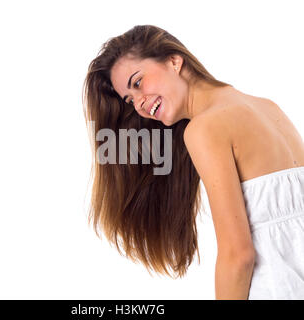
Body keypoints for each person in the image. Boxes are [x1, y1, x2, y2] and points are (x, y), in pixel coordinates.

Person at [82, 24, 304, 299]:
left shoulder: (205, 129)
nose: (138, 103)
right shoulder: (268, 108)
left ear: (174, 61)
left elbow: (239, 255)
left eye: (138, 83)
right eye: (129, 100)